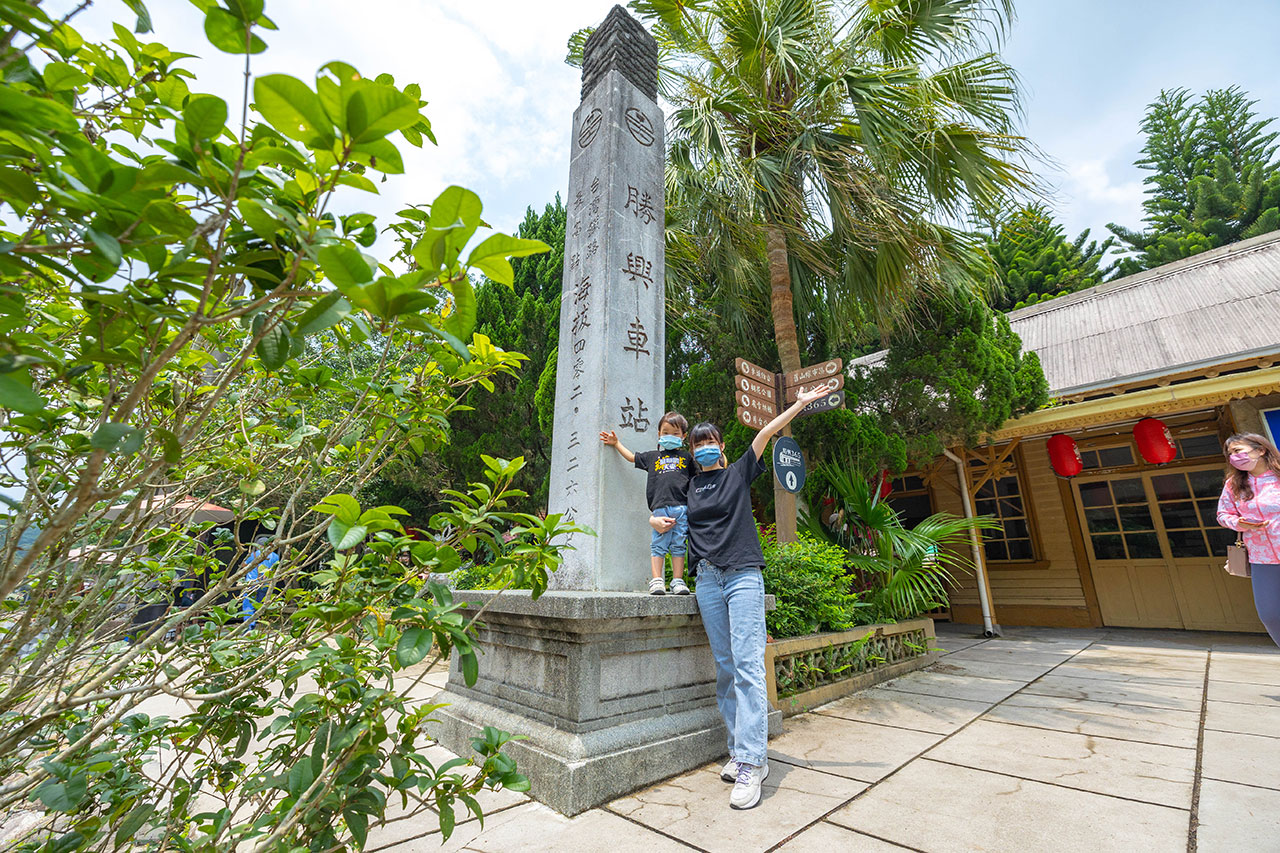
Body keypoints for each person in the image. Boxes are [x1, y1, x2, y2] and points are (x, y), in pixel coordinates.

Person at [652, 385, 828, 809]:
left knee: (748, 664)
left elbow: (766, 432)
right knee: (726, 666)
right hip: (707, 580)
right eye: (699, 445)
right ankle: (739, 750)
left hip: (743, 575)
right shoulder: (690, 485)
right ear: (692, 453)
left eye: (710, 441)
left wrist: (800, 404)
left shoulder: (738, 471)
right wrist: (656, 521)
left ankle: (752, 761)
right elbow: (662, 500)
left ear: (722, 445)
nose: (705, 448)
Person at [600, 412, 693, 595]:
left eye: (675, 433)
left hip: (682, 508)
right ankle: (657, 580)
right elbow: (632, 457)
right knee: (658, 544)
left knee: (679, 545)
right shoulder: (652, 456)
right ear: (658, 434)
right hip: (659, 508)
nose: (670, 436)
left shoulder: (687, 458)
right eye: (665, 432)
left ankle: (677, 581)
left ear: (683, 436)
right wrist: (616, 443)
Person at [1217, 432, 1280, 645]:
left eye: (1238, 451)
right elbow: (1223, 514)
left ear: (1260, 449)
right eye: (1230, 453)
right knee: (1270, 615)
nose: (1233, 456)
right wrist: (1239, 523)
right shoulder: (1233, 484)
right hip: (1262, 558)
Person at [240, 535, 279, 628]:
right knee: (260, 604)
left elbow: (243, 565)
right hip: (266, 583)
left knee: (248, 605)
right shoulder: (275, 556)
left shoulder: (253, 555)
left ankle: (249, 627)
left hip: (251, 583)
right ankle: (261, 624)